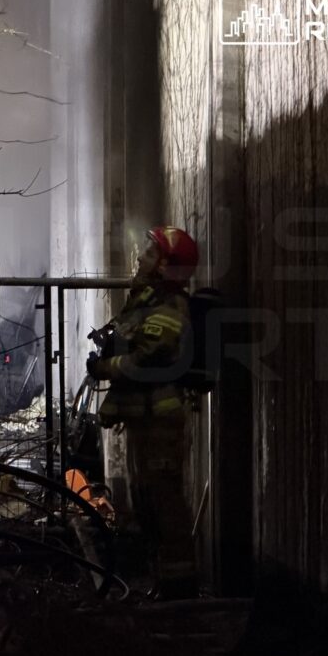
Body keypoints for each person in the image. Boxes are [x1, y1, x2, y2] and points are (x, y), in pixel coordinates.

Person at [86, 226, 199, 599]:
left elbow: (147, 358)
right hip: (142, 420)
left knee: (164, 502)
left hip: (159, 422)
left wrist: (105, 367)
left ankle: (180, 587)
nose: (139, 258)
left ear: (165, 267)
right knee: (146, 502)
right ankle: (163, 580)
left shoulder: (169, 306)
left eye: (148, 254)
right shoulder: (145, 303)